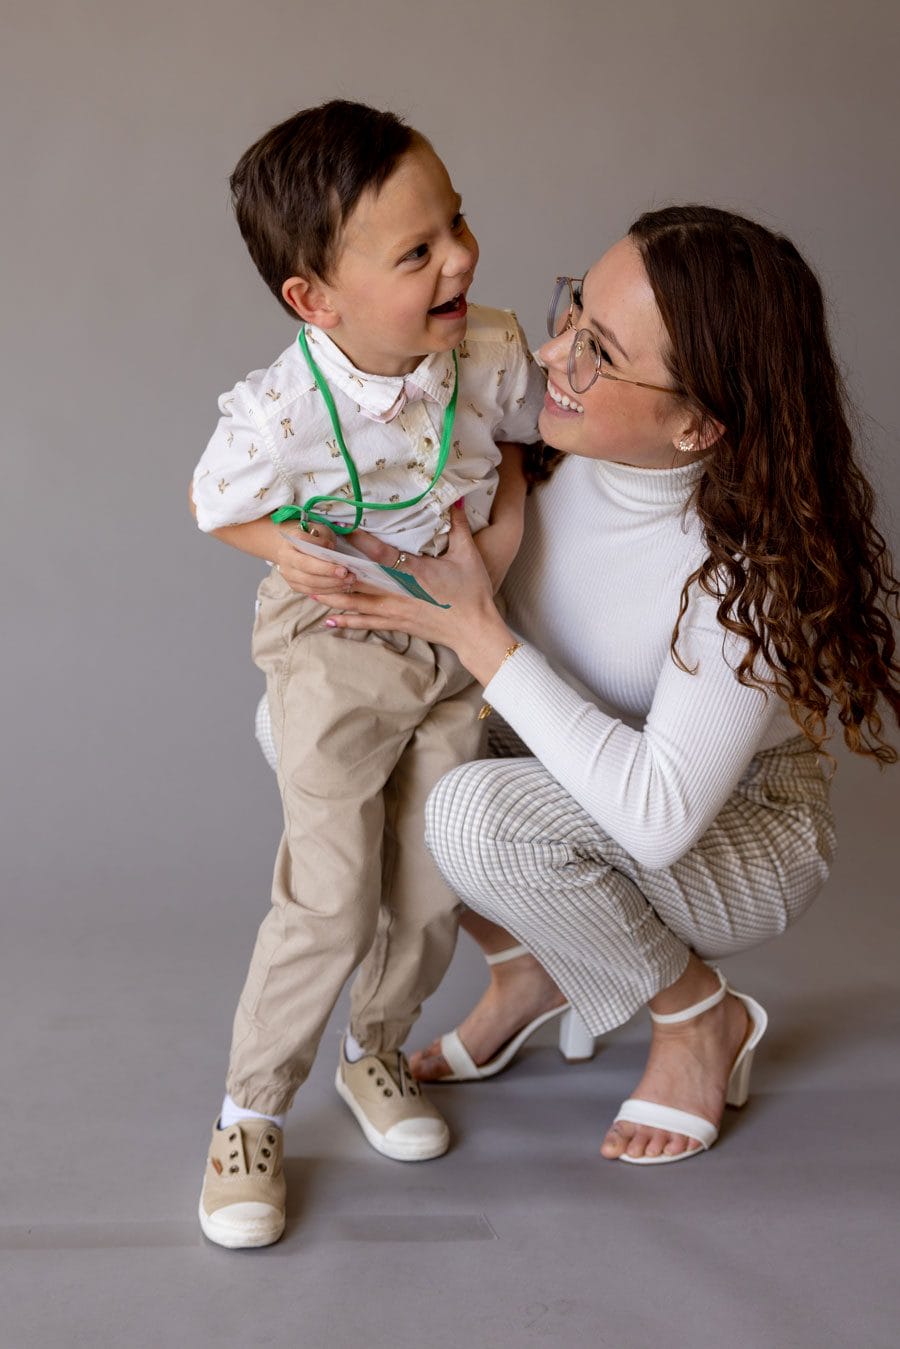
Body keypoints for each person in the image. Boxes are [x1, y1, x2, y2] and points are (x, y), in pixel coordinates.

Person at [314, 205, 900, 1166]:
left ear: (698, 421)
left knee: (472, 816)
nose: (549, 353)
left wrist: (482, 634)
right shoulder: (539, 436)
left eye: (596, 351)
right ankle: (530, 967)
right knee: (325, 733)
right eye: (571, 308)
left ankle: (697, 1016)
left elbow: (662, 814)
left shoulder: (746, 571)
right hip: (553, 768)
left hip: (733, 826)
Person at [191, 100, 544, 1248]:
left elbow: (539, 442)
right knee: (332, 893)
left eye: (458, 223)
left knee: (433, 881)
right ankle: (248, 1114)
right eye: (417, 251)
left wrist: (495, 548)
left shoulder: (482, 348)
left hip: (448, 633)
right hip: (338, 640)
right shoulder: (286, 407)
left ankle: (375, 1050)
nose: (460, 257)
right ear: (315, 299)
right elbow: (213, 504)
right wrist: (275, 546)